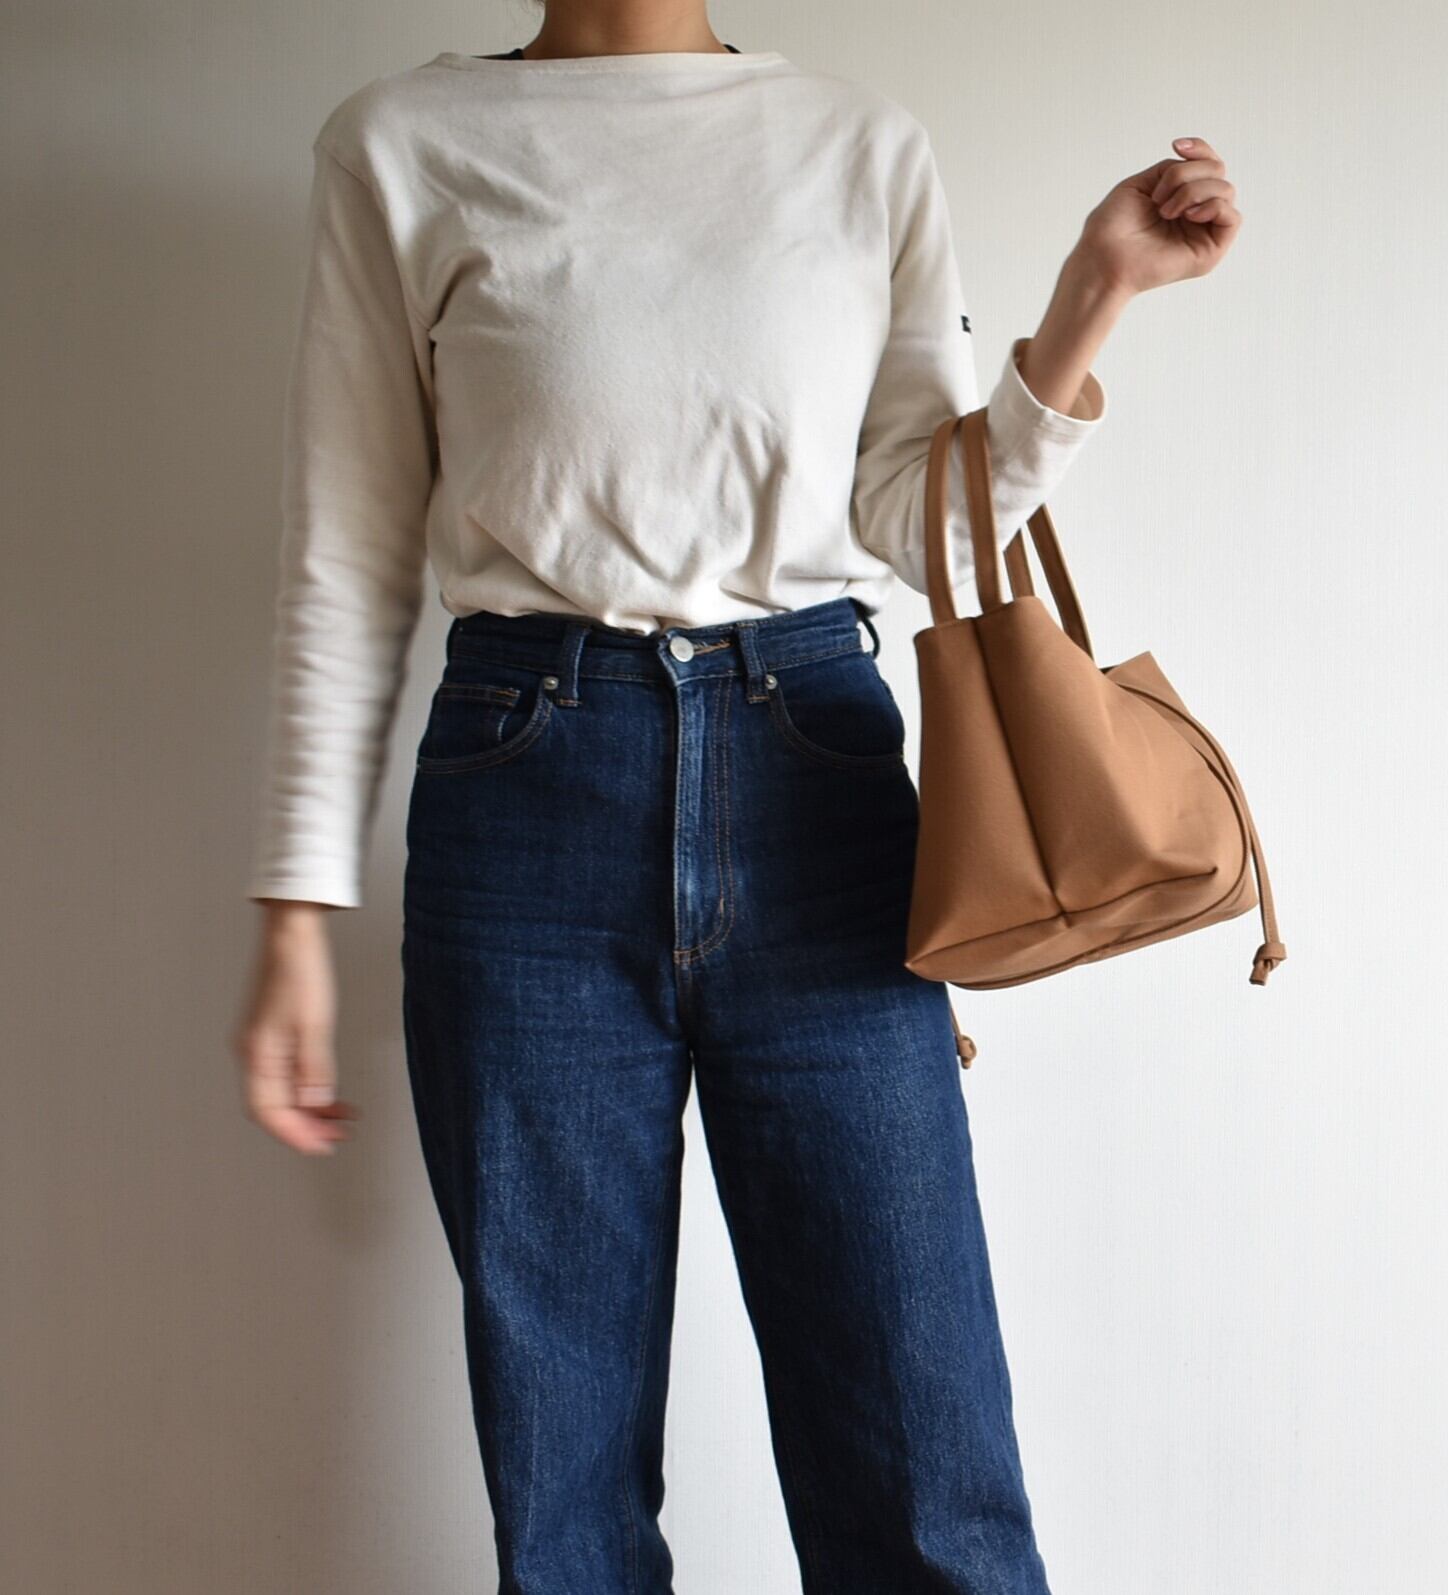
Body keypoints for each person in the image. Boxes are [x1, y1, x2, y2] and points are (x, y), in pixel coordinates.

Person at [233, 4, 1241, 1589]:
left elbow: (925, 528)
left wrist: (1094, 295)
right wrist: (297, 906)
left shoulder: (856, 143)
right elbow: (348, 547)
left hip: (816, 779)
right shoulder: (404, 144)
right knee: (564, 1492)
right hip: (524, 792)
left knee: (923, 1466)